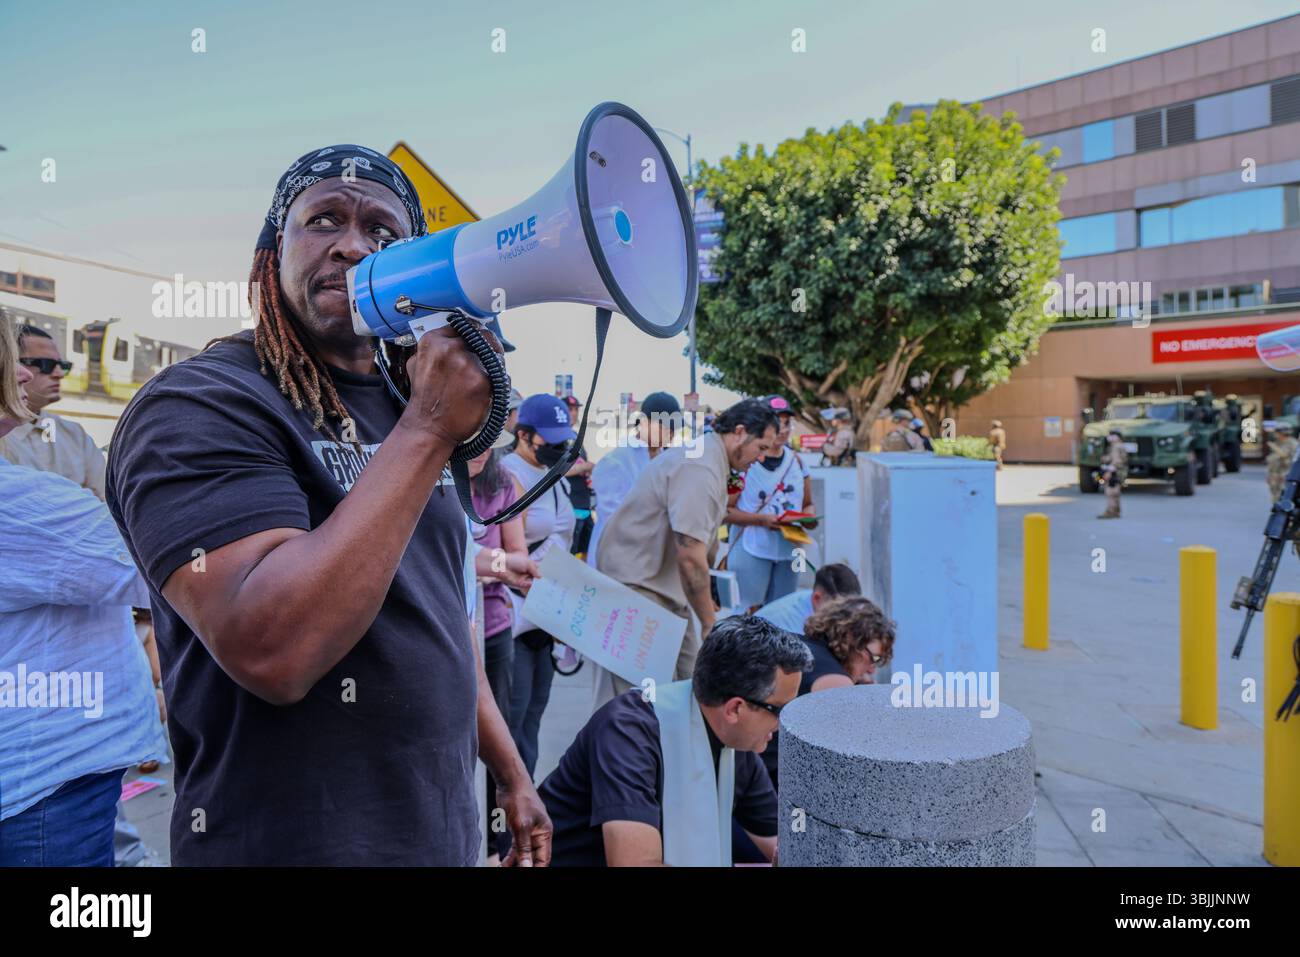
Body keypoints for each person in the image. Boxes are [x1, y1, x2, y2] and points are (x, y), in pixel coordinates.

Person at [105, 145, 549, 866]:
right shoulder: (201, 403)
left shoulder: (409, 402)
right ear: (270, 256)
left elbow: (444, 608)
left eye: (383, 231)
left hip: (435, 838)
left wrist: (509, 769)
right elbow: (272, 647)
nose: (354, 244)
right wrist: (431, 426)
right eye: (323, 220)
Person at [0, 317, 166, 866]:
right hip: (46, 778)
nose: (28, 375)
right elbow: (163, 568)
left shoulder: (68, 438)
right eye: (17, 360)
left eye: (50, 364)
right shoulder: (23, 500)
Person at [530, 616, 813, 866]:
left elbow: (783, 844)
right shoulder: (627, 732)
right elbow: (634, 864)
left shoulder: (738, 747)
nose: (784, 725)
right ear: (735, 709)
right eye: (780, 710)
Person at [591, 399, 780, 711]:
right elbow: (689, 556)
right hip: (638, 592)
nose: (760, 458)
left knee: (694, 694)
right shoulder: (702, 465)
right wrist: (709, 623)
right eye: (760, 447)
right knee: (640, 709)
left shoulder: (711, 458)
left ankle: (678, 757)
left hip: (665, 594)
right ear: (739, 432)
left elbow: (699, 549)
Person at [501, 393, 577, 779]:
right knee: (513, 723)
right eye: (551, 438)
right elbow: (505, 546)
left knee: (533, 717)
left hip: (549, 615)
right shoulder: (511, 475)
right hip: (518, 613)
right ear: (524, 435)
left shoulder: (555, 477)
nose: (560, 445)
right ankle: (509, 814)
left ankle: (525, 802)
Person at [760, 595, 896, 792]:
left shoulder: (799, 644)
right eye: (873, 657)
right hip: (771, 782)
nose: (872, 669)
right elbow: (846, 760)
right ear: (852, 640)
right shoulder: (836, 683)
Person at [468, 431, 531, 840]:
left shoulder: (504, 484)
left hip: (493, 625)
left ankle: (498, 844)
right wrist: (499, 563)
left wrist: (489, 563)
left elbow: (520, 558)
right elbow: (442, 555)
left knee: (500, 735)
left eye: (488, 440)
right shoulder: (429, 475)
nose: (480, 450)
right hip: (448, 625)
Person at [727, 395, 814, 612]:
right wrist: (761, 520)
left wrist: (808, 519)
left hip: (792, 550)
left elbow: (808, 504)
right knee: (748, 615)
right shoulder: (743, 465)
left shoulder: (798, 462)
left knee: (786, 612)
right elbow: (725, 510)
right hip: (751, 548)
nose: (783, 429)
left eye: (787, 422)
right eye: (777, 421)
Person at [1, 324, 106, 499]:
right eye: (46, 364)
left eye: (63, 365)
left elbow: (107, 500)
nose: (59, 374)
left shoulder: (74, 434)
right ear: (8, 365)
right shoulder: (3, 435)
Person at [587, 390, 681, 567]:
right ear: (644, 423)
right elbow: (615, 520)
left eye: (673, 428)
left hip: (650, 561)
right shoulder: (616, 462)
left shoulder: (668, 460)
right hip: (616, 561)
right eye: (664, 427)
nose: (670, 434)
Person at [754, 562, 861, 635]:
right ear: (817, 598)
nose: (846, 619)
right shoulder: (790, 626)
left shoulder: (817, 603)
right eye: (840, 611)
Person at [561, 394, 596, 559]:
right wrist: (586, 466)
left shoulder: (575, 436)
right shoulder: (558, 438)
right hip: (571, 503)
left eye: (576, 409)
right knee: (570, 553)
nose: (574, 413)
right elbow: (560, 470)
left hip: (584, 504)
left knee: (587, 552)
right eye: (570, 409)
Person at [1098, 429, 1128, 520]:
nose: (1109, 437)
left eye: (1111, 435)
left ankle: (1110, 512)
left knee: (1111, 492)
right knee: (1115, 492)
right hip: (1119, 472)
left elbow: (1117, 461)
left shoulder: (1116, 447)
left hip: (1114, 473)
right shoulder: (1118, 446)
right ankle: (1116, 511)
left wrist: (1109, 472)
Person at [1267, 422, 1297, 501]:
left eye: (1277, 431)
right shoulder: (1278, 442)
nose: (1275, 433)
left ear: (1282, 432)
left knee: (1283, 497)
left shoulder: (1292, 443)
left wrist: (1274, 447)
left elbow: (1285, 456)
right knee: (1275, 497)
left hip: (1285, 475)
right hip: (1276, 475)